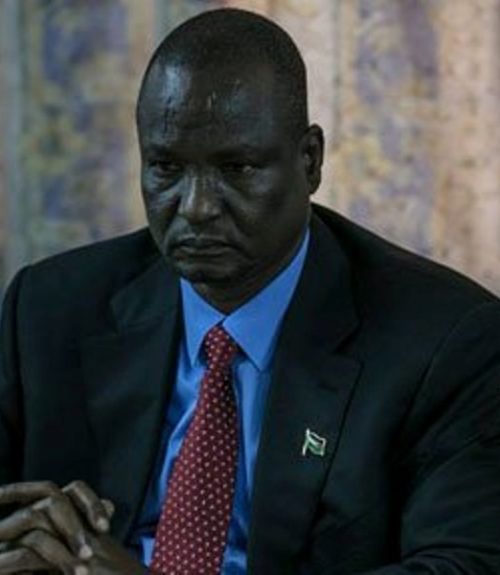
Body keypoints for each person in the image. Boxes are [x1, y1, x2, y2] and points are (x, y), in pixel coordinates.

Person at [0, 7, 499, 575]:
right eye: (165, 167)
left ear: (309, 161)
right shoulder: (48, 309)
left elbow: (465, 565)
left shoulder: (446, 343)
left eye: (236, 168)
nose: (196, 208)